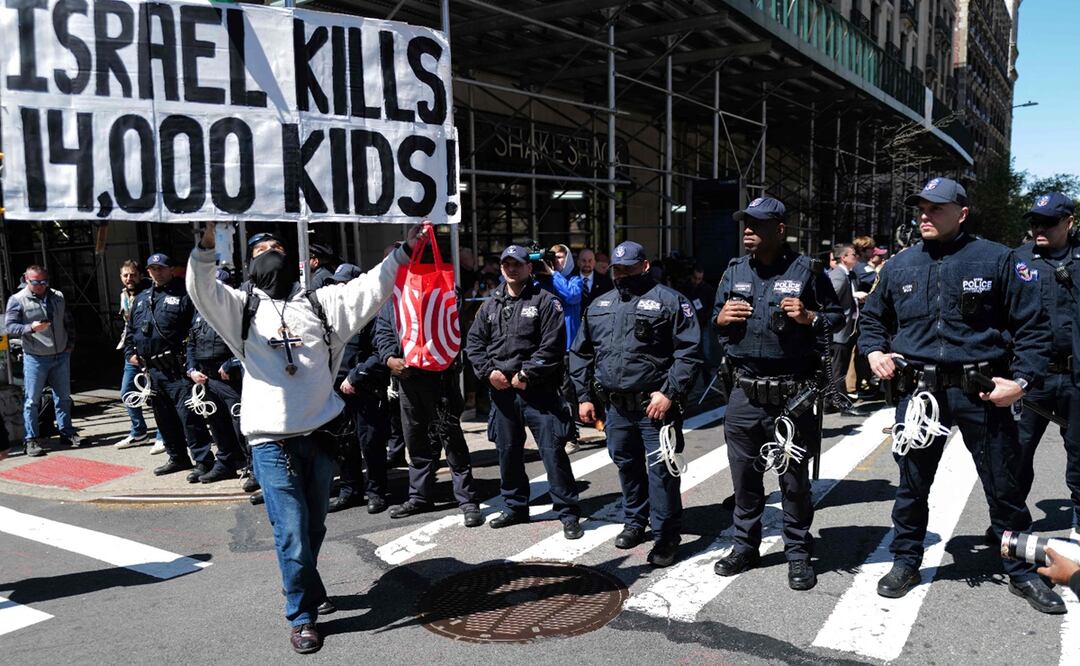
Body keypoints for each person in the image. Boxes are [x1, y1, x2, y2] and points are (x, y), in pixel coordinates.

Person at [187, 223, 421, 654]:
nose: (269, 255)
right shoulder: (239, 309)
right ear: (249, 264)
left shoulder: (320, 302)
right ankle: (302, 616)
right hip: (270, 442)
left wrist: (405, 250)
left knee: (313, 526)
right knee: (292, 532)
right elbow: (201, 288)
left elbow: (373, 286)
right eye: (260, 251)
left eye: (277, 247)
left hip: (321, 434)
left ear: (295, 260)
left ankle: (305, 586)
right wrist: (207, 244)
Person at [859, 177, 1063, 614]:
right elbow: (872, 319)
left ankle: (1022, 572)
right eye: (920, 209)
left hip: (982, 393)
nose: (924, 216)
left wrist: (1021, 382)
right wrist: (874, 350)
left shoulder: (996, 259)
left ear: (962, 212)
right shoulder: (899, 265)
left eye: (935, 208)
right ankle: (906, 560)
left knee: (1005, 488)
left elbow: (1033, 328)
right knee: (912, 487)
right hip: (919, 396)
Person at [710, 197, 843, 590]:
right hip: (745, 392)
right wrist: (719, 318)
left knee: (794, 482)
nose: (747, 230)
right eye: (745, 223)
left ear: (780, 229)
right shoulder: (733, 270)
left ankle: (798, 554)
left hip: (792, 394)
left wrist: (809, 317)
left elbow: (835, 318)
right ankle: (744, 546)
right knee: (744, 479)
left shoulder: (808, 270)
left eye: (757, 224)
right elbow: (715, 321)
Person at [570, 240, 702, 567]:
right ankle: (635, 521)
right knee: (626, 465)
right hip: (615, 407)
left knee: (661, 472)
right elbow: (581, 353)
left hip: (655, 406)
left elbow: (690, 352)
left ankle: (666, 535)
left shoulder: (671, 302)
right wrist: (584, 396)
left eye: (629, 267)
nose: (622, 274)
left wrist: (669, 392)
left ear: (644, 265)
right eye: (617, 269)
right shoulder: (600, 304)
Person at [465, 244, 582, 539]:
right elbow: (474, 344)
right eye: (506, 264)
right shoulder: (490, 305)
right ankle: (516, 507)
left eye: (517, 264)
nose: (511, 269)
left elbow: (553, 345)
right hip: (502, 392)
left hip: (538, 391)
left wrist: (527, 374)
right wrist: (488, 373)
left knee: (552, 452)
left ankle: (568, 512)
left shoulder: (546, 301)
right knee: (507, 453)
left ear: (529, 267)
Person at [374, 278, 483, 528]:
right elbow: (384, 331)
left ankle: (466, 499)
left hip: (441, 378)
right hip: (408, 378)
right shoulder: (393, 296)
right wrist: (390, 358)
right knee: (416, 440)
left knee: (451, 440)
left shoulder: (444, 287)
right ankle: (419, 495)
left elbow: (453, 327)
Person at [1012, 192, 1080, 542]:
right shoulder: (1017, 260)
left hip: (1075, 376)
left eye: (1048, 222)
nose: (1039, 228)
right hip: (1030, 376)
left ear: (1069, 222)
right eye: (1034, 221)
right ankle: (1010, 521)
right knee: (1016, 452)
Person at [126, 254, 214, 479]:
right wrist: (130, 353)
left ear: (171, 270)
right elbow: (131, 330)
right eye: (153, 269)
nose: (157, 272)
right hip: (152, 370)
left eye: (162, 268)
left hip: (177, 368)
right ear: (148, 271)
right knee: (164, 418)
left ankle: (203, 460)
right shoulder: (142, 297)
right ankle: (177, 457)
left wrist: (192, 364)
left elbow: (195, 331)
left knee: (189, 418)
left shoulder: (184, 294)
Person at [330, 263, 390, 515]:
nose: (339, 288)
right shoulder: (332, 315)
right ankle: (350, 490)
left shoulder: (374, 314)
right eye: (336, 284)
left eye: (344, 283)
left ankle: (376, 492)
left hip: (366, 389)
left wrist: (355, 377)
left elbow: (382, 352)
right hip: (337, 390)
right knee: (344, 443)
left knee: (371, 444)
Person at [5, 265, 81, 456]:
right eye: (35, 282)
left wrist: (69, 345)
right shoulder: (17, 300)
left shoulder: (58, 296)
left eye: (44, 282)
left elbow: (68, 321)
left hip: (61, 354)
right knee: (32, 400)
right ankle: (31, 439)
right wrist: (31, 327)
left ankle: (67, 432)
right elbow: (10, 327)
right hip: (35, 357)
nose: (40, 286)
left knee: (63, 397)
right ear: (26, 280)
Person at [184, 268, 247, 483]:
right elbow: (191, 343)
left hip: (231, 378)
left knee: (241, 424)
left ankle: (254, 467)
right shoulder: (200, 310)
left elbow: (251, 345)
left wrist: (232, 363)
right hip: (207, 378)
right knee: (217, 424)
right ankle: (226, 463)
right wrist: (192, 370)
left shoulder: (237, 310)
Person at [115, 260, 156, 450]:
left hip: (152, 352)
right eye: (125, 275)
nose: (129, 278)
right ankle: (139, 432)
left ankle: (164, 435)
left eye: (132, 274)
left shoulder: (152, 292)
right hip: (132, 353)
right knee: (127, 392)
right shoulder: (124, 295)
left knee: (157, 395)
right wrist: (129, 351)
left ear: (140, 275)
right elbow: (128, 327)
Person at [826, 244, 867, 416]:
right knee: (838, 369)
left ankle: (831, 403)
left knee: (838, 368)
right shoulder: (839, 276)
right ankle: (841, 404)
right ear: (843, 257)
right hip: (839, 331)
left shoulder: (849, 275)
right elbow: (829, 300)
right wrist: (853, 297)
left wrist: (856, 299)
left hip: (847, 329)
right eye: (853, 255)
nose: (856, 257)